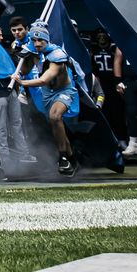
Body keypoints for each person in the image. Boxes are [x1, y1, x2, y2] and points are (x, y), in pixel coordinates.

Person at [16, 24, 82, 175]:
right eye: (34, 40)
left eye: (41, 40)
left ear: (46, 40)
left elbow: (43, 80)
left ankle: (63, 157)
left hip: (63, 91)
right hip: (47, 94)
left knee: (55, 116)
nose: (37, 43)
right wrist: (21, 56)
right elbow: (24, 71)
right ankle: (71, 158)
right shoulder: (33, 51)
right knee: (55, 124)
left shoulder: (57, 56)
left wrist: (22, 83)